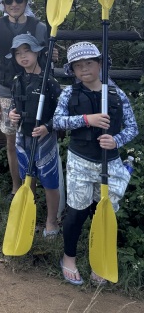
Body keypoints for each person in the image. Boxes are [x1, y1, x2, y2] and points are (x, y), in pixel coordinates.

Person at [53, 42, 138, 286]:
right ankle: (69, 258)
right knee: (76, 212)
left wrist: (116, 140)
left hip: (108, 162)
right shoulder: (69, 93)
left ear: (100, 64)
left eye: (89, 63)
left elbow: (132, 127)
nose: (84, 69)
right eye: (78, 65)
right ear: (72, 70)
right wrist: (86, 119)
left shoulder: (116, 94)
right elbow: (57, 121)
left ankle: (99, 260)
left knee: (104, 212)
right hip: (80, 161)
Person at [0, 0, 48, 200]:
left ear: (25, 1)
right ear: (3, 4)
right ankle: (16, 188)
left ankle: (33, 188)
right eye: (8, 0)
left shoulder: (39, 27)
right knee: (11, 143)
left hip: (32, 91)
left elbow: (46, 59)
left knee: (33, 140)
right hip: (5, 92)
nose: (14, 4)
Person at [7, 34, 61, 236]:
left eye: (27, 51)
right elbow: (14, 105)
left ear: (37, 52)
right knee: (27, 178)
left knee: (49, 181)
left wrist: (47, 127)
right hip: (23, 137)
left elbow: (61, 114)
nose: (23, 56)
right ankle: (29, 214)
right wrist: (12, 114)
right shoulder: (17, 80)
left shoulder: (50, 82)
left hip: (44, 139)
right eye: (18, 53)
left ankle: (51, 221)